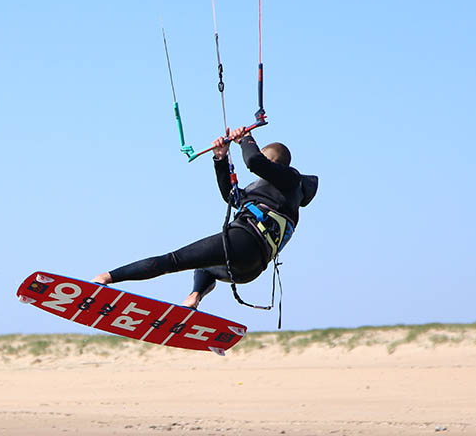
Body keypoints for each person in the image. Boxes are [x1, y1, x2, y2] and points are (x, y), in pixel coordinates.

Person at [92, 127, 318, 309]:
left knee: (173, 260)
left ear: (275, 164)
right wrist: (220, 159)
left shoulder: (290, 180)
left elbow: (254, 162)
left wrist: (246, 138)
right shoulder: (275, 195)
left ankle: (105, 278)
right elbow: (231, 197)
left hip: (245, 240)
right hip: (250, 268)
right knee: (205, 266)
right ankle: (193, 298)